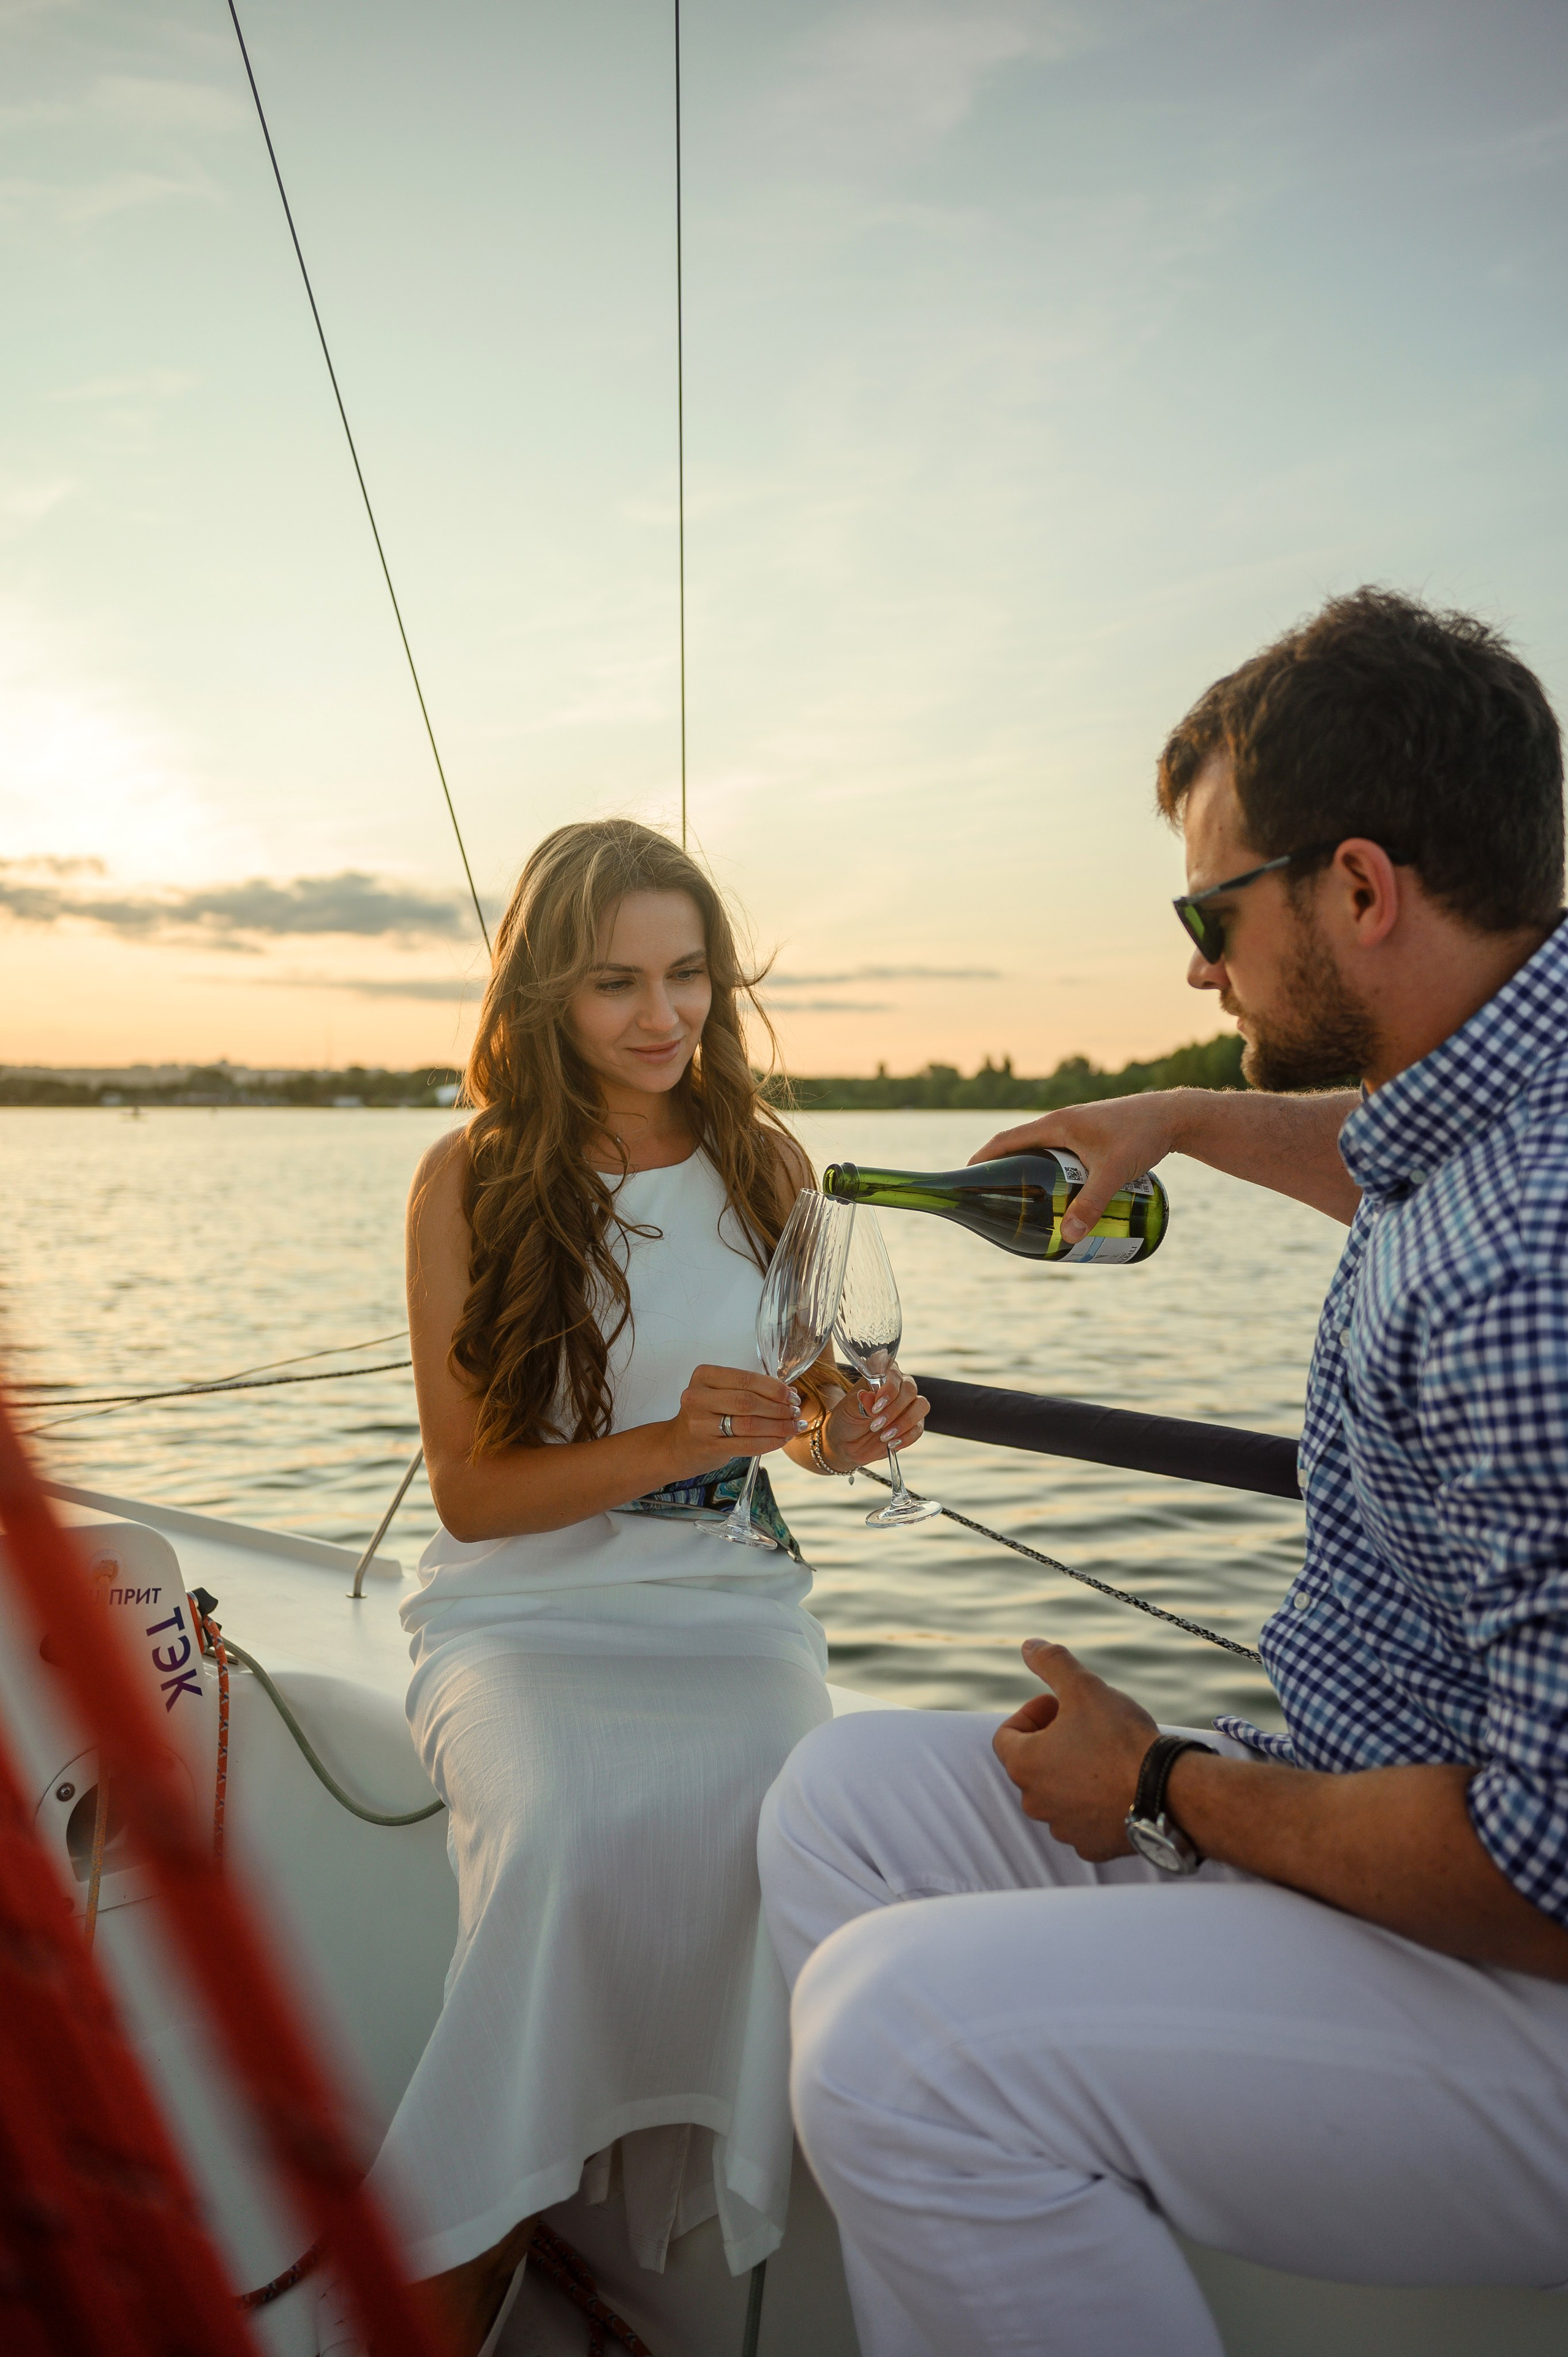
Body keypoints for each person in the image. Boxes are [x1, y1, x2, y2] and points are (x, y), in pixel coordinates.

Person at [758, 588, 1568, 2356]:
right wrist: (1182, 1115)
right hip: (1377, 1801)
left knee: (904, 2040)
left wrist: (1167, 1786)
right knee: (842, 1809)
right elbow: (1403, 1158)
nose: (1197, 966)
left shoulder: (1533, 1256)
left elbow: (1550, 1867)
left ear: (1361, 888)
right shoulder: (1508, 1096)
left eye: (1214, 911)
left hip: (1522, 1977)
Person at [320, 818, 927, 2357]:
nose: (663, 1019)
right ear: (541, 993)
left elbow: (793, 1422)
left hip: (723, 1606)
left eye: (687, 975)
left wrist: (847, 1428)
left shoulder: (767, 1162)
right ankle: (466, 2234)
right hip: (519, 1616)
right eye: (614, 984)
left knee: (779, 1809)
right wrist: (665, 1438)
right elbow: (470, 1492)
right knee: (569, 1837)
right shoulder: (466, 1180)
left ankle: (630, 2217)